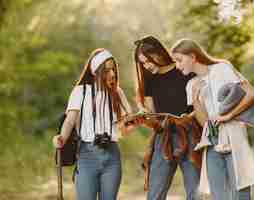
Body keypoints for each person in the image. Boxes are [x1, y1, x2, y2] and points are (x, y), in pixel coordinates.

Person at [171, 38, 254, 200]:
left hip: (233, 137)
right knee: (218, 194)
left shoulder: (222, 69)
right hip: (211, 141)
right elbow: (204, 122)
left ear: (192, 56)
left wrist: (229, 115)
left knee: (240, 191)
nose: (177, 66)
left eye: (179, 60)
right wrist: (196, 99)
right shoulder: (191, 85)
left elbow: (252, 93)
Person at [52, 48, 132, 200]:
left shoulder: (117, 93)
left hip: (112, 155)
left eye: (113, 69)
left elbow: (125, 128)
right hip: (87, 154)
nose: (112, 74)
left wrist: (132, 124)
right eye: (107, 70)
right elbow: (70, 121)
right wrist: (61, 137)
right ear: (95, 71)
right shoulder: (80, 91)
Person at [134, 35, 203, 200]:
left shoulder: (184, 70)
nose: (146, 66)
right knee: (154, 194)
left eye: (148, 60)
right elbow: (154, 117)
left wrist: (187, 118)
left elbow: (201, 107)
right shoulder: (148, 81)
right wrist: (145, 119)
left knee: (195, 192)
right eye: (142, 63)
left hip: (190, 136)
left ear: (158, 53)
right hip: (163, 138)